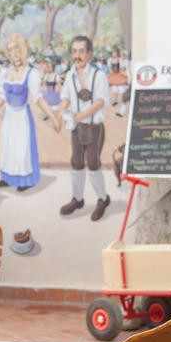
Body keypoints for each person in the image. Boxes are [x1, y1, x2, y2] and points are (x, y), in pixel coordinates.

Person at [57, 35, 111, 221]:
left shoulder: (99, 75)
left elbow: (100, 102)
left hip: (94, 127)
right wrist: (61, 110)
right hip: (76, 127)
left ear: (89, 54)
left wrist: (80, 115)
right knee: (76, 161)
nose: (77, 55)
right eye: (74, 51)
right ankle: (78, 199)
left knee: (93, 162)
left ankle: (103, 199)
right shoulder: (70, 75)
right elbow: (65, 97)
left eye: (81, 51)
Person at [0, 32, 47, 193]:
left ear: (23, 50)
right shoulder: (5, 73)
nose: (13, 53)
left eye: (16, 49)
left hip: (22, 115)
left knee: (22, 148)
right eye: (10, 50)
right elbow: (2, 95)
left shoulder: (31, 73)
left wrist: (53, 116)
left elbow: (37, 98)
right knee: (7, 146)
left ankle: (26, 179)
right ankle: (8, 178)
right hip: (8, 116)